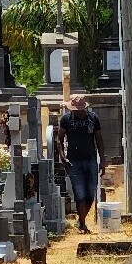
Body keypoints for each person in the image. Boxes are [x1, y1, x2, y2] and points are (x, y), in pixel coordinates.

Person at [57, 94, 106, 233]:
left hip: (90, 158)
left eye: (80, 110)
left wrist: (102, 160)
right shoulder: (66, 119)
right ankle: (83, 225)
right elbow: (59, 139)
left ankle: (81, 219)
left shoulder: (93, 118)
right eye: (75, 110)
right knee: (80, 194)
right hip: (73, 161)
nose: (77, 112)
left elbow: (99, 139)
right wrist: (62, 156)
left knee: (91, 193)